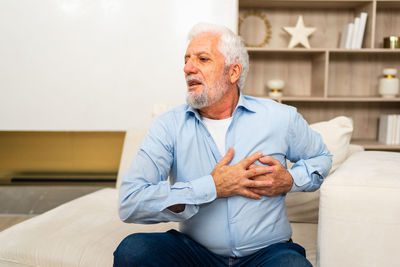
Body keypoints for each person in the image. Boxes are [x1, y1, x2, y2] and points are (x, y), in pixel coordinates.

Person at [114, 22, 332, 266]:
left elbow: (321, 157)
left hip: (268, 253)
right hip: (195, 254)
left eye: (202, 59)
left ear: (233, 72)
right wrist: (212, 187)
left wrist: (291, 180)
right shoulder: (169, 126)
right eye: (186, 59)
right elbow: (130, 201)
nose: (187, 68)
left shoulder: (280, 117)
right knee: (133, 250)